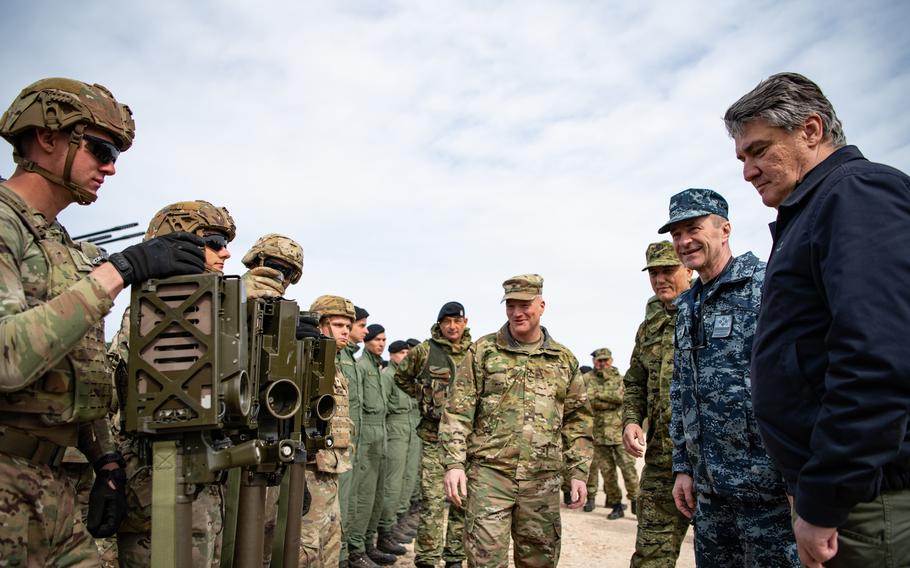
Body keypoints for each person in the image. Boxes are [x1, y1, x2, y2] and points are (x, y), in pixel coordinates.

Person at [0, 77, 205, 565]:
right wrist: (121, 271)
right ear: (47, 137)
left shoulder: (63, 247)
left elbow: (81, 368)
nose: (110, 167)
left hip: (59, 489)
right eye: (100, 148)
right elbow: (6, 358)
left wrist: (106, 460)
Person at [726, 72, 910, 567]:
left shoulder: (856, 196)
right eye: (742, 158)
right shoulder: (811, 210)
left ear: (810, 130)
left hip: (870, 502)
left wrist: (827, 496)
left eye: (759, 150)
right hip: (845, 496)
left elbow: (876, 359)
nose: (748, 171)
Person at [660, 188, 797, 566]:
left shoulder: (765, 284)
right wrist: (683, 467)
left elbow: (796, 381)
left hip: (768, 490)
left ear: (725, 230)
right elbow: (682, 389)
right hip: (711, 491)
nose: (684, 241)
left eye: (693, 228)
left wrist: (798, 479)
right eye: (676, 234)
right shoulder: (688, 305)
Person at [108, 200, 239, 567]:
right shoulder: (153, 316)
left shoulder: (208, 315)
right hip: (161, 487)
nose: (225, 252)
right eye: (213, 241)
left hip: (199, 483)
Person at [440, 275, 593, 568]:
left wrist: (578, 472)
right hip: (490, 475)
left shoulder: (563, 359)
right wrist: (455, 464)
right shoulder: (483, 352)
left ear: (542, 305)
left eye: (525, 304)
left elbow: (578, 421)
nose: (517, 312)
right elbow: (458, 412)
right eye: (511, 305)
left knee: (538, 561)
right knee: (484, 560)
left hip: (542, 480)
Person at [622, 241, 692, 567]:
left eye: (668, 270)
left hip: (712, 465)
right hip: (662, 462)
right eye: (654, 272)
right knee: (650, 559)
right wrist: (632, 420)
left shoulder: (711, 309)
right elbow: (635, 381)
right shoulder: (649, 326)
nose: (660, 278)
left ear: (689, 268)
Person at [394, 301, 473, 568]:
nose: (452, 326)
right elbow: (401, 377)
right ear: (440, 324)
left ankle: (453, 558)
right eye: (447, 321)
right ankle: (427, 559)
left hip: (465, 442)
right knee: (432, 502)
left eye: (457, 321)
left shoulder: (477, 353)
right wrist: (423, 397)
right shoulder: (425, 351)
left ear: (465, 322)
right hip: (433, 437)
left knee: (462, 501)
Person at [300, 294, 356, 567]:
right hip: (309, 471)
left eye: (348, 325)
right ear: (320, 324)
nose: (345, 331)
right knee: (307, 546)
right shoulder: (307, 359)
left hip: (330, 470)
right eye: (337, 324)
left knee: (331, 542)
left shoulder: (334, 363)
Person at [351, 323, 398, 567]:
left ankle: (368, 544)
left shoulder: (376, 367)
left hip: (380, 430)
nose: (381, 343)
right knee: (364, 496)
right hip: (367, 430)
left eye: (384, 339)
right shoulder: (361, 366)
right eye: (377, 339)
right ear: (367, 340)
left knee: (378, 494)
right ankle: (356, 549)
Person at [584, 347, 639, 518]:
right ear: (594, 362)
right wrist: (607, 399)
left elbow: (621, 398)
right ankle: (616, 504)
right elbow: (586, 399)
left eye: (605, 360)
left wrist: (598, 396)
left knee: (629, 470)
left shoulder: (620, 378)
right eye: (599, 360)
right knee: (608, 473)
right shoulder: (587, 378)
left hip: (619, 433)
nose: (602, 364)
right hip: (598, 434)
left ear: (611, 360)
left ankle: (637, 502)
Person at [378, 340, 419, 546]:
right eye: (402, 352)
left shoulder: (406, 377)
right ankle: (386, 529)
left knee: (406, 479)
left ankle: (398, 521)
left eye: (407, 352)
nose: (406, 356)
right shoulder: (388, 377)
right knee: (392, 483)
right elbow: (382, 408)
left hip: (408, 428)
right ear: (392, 355)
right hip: (394, 428)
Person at [338, 305, 368, 567]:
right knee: (341, 502)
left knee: (355, 499)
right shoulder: (343, 359)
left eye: (351, 327)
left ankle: (348, 552)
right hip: (340, 440)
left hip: (356, 437)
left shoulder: (351, 361)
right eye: (362, 326)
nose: (363, 331)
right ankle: (342, 555)